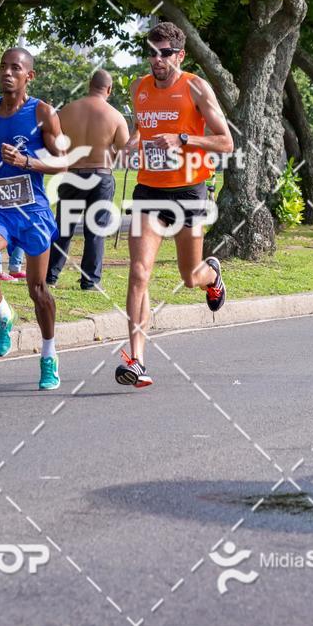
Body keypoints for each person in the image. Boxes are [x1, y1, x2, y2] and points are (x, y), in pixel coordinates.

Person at [115, 22, 234, 389]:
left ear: (179, 55)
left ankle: (211, 275)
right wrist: (133, 143)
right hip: (149, 189)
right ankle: (136, 360)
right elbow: (140, 129)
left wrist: (183, 138)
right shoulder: (139, 89)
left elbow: (225, 142)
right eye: (151, 52)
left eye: (164, 53)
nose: (157, 59)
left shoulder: (196, 87)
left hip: (188, 191)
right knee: (139, 272)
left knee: (188, 275)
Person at [0, 47, 66, 390]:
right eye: (3, 67)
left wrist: (27, 162)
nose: (7, 73)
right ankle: (4, 315)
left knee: (38, 290)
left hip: (33, 211)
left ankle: (49, 354)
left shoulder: (42, 112)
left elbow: (62, 162)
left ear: (30, 76)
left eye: (15, 68)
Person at [46, 69, 129, 290]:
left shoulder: (66, 111)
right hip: (100, 176)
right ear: (109, 90)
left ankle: (50, 276)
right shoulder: (115, 116)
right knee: (95, 229)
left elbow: (55, 144)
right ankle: (90, 281)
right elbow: (125, 152)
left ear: (89, 85)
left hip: (72, 174)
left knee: (63, 228)